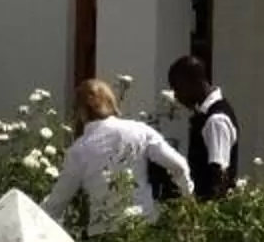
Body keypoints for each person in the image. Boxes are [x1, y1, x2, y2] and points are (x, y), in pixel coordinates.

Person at [42, 78, 191, 231]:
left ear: (81, 111)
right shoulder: (140, 130)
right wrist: (187, 199)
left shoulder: (78, 150)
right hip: (144, 226)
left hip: (105, 230)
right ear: (111, 102)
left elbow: (58, 201)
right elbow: (179, 166)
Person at [164, 55, 243, 202]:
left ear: (194, 82)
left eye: (178, 88)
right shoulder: (206, 116)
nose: (176, 96)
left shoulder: (216, 120)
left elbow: (219, 174)